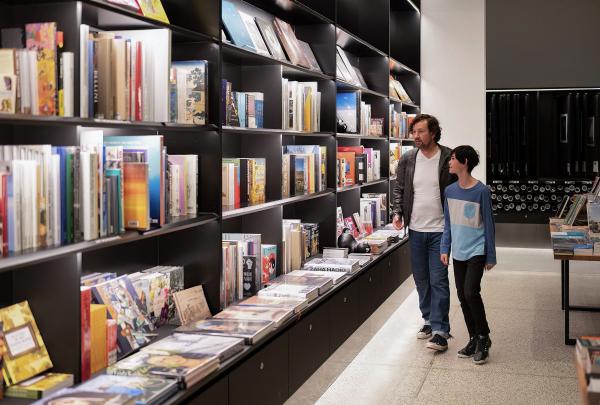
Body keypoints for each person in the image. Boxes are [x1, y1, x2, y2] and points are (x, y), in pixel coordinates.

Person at [392, 114, 457, 352]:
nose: (416, 137)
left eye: (420, 132)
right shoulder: (409, 159)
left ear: (433, 132)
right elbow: (399, 188)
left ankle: (441, 330)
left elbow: (459, 187)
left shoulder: (448, 157)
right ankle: (428, 320)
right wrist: (397, 212)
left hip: (440, 230)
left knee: (438, 279)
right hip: (416, 229)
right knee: (421, 279)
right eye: (414, 132)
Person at [440, 145, 496, 364]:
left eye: (453, 159)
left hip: (477, 250)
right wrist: (445, 248)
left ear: (464, 162)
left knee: (471, 292)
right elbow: (447, 224)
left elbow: (489, 226)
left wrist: (490, 256)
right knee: (463, 297)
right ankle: (474, 337)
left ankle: (483, 337)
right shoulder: (450, 191)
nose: (449, 163)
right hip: (458, 252)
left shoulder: (482, 191)